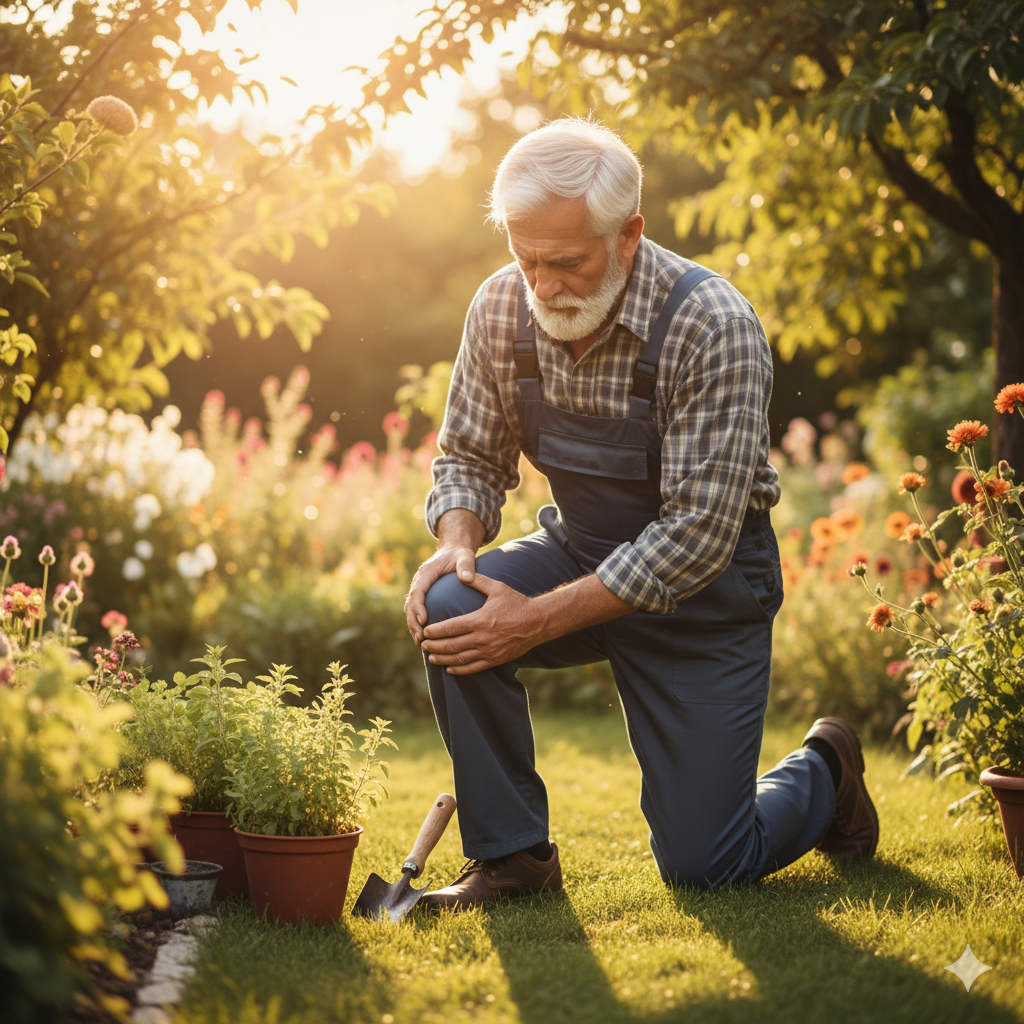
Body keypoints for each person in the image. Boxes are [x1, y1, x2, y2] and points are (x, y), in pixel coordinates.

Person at [404, 118, 878, 910]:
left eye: (567, 263)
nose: (543, 285)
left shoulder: (711, 324)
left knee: (706, 865)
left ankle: (827, 770)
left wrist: (534, 620)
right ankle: (513, 858)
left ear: (628, 235)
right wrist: (456, 541)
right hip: (583, 552)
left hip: (705, 598)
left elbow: (695, 537)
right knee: (454, 605)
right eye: (527, 259)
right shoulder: (501, 306)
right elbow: (470, 457)